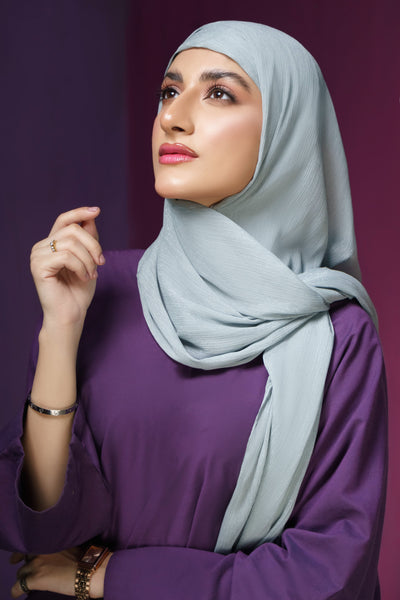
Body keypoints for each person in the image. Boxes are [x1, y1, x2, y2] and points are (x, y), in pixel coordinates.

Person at [0, 20, 387, 599]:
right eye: (169, 91)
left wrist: (107, 577)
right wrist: (59, 330)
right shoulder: (99, 289)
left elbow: (325, 576)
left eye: (219, 93)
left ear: (285, 132)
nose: (173, 117)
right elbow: (42, 526)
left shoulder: (337, 336)